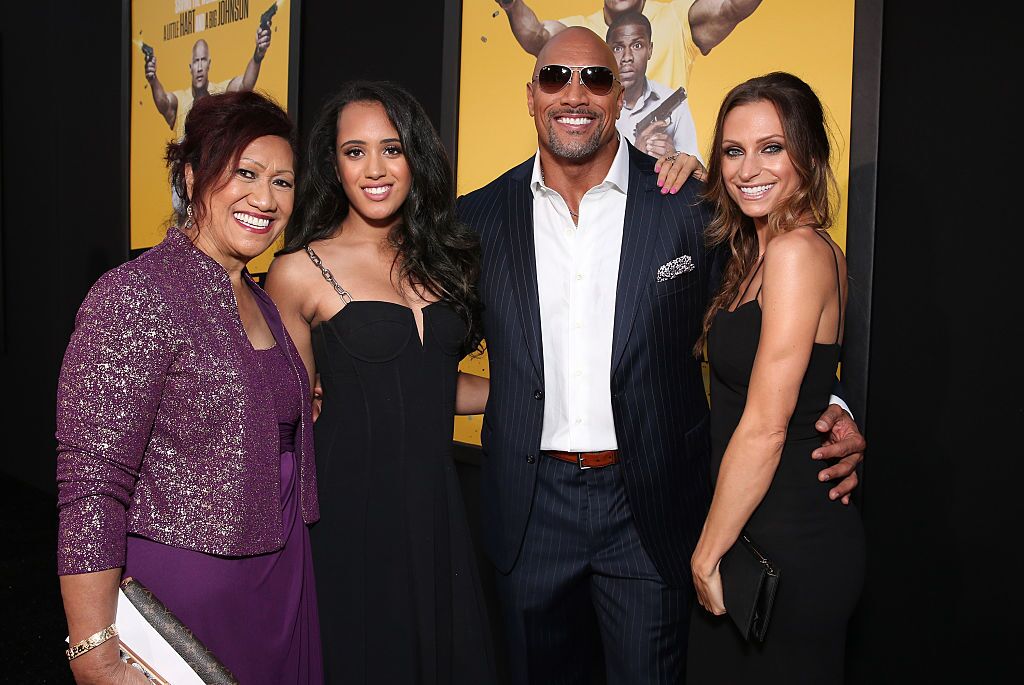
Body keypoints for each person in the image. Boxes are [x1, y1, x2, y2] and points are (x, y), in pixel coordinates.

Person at [455, 27, 865, 684]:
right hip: (531, 510)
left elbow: (780, 319)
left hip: (651, 509)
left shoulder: (692, 205)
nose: (574, 94)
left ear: (621, 97)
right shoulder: (475, 220)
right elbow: (424, 347)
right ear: (530, 95)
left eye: (595, 79)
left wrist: (834, 401)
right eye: (556, 77)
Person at [56, 91, 322, 684]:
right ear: (191, 174)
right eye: (245, 174)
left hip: (280, 583)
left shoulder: (262, 302)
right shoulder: (134, 296)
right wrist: (93, 649)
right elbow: (91, 484)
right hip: (189, 600)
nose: (265, 198)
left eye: (282, 181)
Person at [264, 81, 497, 684]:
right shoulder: (297, 271)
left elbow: (426, 388)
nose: (375, 169)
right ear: (332, 165)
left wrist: (537, 397)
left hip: (435, 502)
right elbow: (283, 412)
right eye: (354, 151)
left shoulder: (443, 258)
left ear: (415, 157)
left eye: (391, 149)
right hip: (348, 508)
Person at [685, 72, 865, 683]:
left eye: (772, 147)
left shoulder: (796, 253)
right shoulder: (756, 253)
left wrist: (706, 553)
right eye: (733, 150)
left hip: (786, 540)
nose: (747, 168)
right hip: (752, 526)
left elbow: (765, 426)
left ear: (808, 155)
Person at [496, 0, 763, 95]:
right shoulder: (580, 32)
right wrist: (512, 4)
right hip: (603, 173)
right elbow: (537, 35)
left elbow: (732, 6)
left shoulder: (676, 19)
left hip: (666, 173)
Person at [145, 25, 273, 140]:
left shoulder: (221, 92)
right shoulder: (180, 100)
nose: (200, 67)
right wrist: (153, 79)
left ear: (209, 65)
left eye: (203, 60)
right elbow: (163, 103)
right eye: (196, 61)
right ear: (190, 67)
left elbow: (245, 85)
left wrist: (258, 55)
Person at [606, 11, 701, 160]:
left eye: (637, 46)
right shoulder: (594, 105)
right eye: (618, 48)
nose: (627, 58)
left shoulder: (675, 104)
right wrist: (636, 155)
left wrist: (674, 158)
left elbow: (699, 175)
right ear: (607, 53)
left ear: (650, 50)